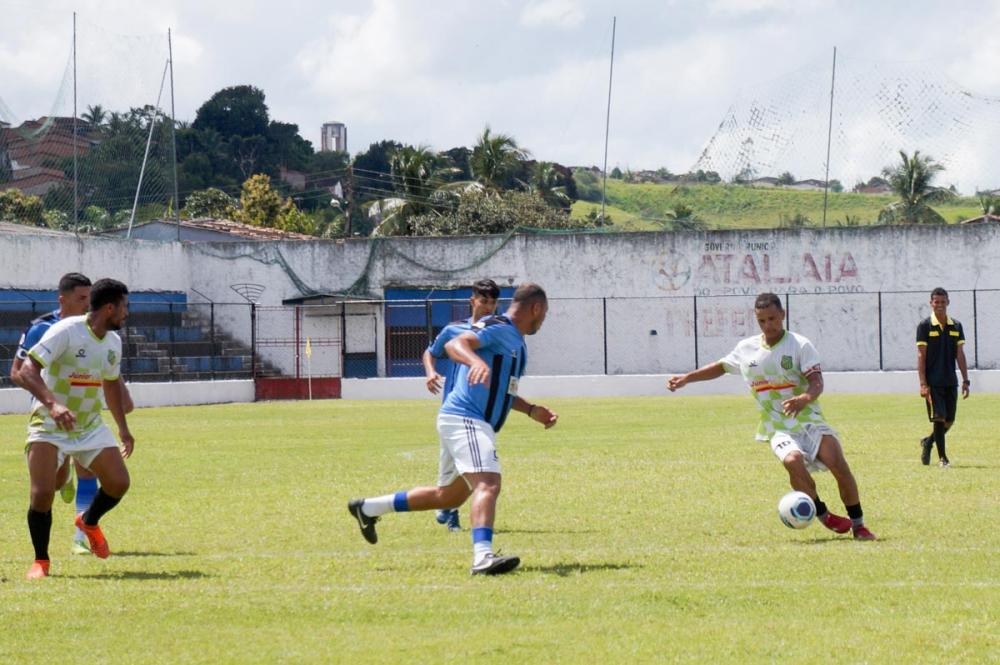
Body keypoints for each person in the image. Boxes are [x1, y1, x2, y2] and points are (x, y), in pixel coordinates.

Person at [349, 283, 558, 575]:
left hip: (473, 422)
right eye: (544, 313)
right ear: (536, 308)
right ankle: (483, 557)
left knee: (449, 497)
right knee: (488, 483)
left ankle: (368, 508)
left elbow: (503, 391)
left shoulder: (517, 343)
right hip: (465, 418)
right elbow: (453, 345)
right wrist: (474, 361)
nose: (544, 320)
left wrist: (532, 410)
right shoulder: (500, 326)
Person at [667, 292, 876, 541]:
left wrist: (804, 399)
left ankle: (859, 525)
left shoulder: (800, 345)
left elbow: (817, 383)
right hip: (776, 426)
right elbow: (721, 366)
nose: (768, 325)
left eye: (773, 319)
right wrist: (687, 378)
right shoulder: (747, 349)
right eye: (762, 321)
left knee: (837, 464)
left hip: (809, 421)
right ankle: (822, 514)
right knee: (791, 461)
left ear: (783, 315)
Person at [17, 278, 135, 579]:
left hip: (88, 425)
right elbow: (27, 369)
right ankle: (41, 561)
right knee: (43, 494)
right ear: (110, 307)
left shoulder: (113, 342)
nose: (126, 313)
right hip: (49, 423)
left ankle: (89, 522)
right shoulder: (65, 331)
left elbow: (110, 385)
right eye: (124, 307)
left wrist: (123, 428)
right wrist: (53, 405)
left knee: (119, 483)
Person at [421, 278, 500, 532]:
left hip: (478, 410)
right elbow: (430, 352)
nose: (489, 307)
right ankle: (448, 507)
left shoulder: (495, 331)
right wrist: (431, 372)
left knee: (470, 463)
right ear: (472, 301)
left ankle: (448, 508)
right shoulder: (454, 330)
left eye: (493, 302)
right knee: (455, 464)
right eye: (484, 301)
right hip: (454, 409)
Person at [916, 287, 969, 468]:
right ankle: (942, 458)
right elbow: (921, 355)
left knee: (949, 420)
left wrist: (965, 380)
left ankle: (928, 442)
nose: (939, 305)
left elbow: (960, 354)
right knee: (938, 418)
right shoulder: (924, 326)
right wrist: (923, 384)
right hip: (933, 383)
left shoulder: (956, 326)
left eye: (942, 301)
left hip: (950, 381)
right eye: (936, 302)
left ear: (948, 302)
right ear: (931, 303)